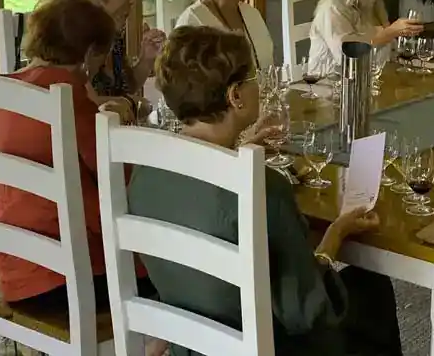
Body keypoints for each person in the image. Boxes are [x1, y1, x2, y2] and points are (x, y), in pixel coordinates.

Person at [129, 26, 403, 356]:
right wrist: (335, 234)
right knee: (372, 289)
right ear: (235, 96)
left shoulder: (144, 172)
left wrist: (238, 147)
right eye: (253, 76)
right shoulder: (260, 186)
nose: (259, 84)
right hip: (264, 346)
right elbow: (306, 311)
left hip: (192, 344)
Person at [0, 0, 154, 307]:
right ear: (88, 53)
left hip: (15, 272)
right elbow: (118, 178)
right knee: (175, 268)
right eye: (101, 55)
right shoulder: (66, 97)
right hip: (69, 279)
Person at [57, 0, 166, 99]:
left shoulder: (113, 34)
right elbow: (81, 105)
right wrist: (131, 104)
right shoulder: (71, 45)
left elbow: (126, 86)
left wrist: (146, 60)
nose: (131, 1)